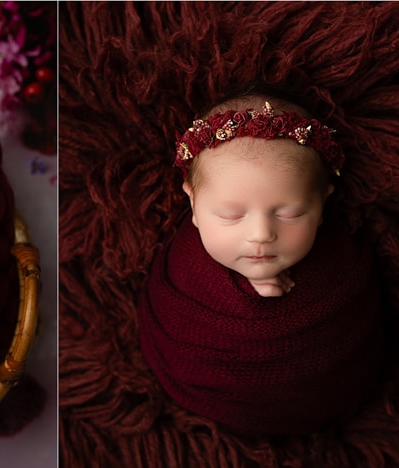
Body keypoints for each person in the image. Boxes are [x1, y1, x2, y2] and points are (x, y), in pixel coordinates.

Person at [137, 86, 384, 436]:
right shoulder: (183, 265)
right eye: (230, 214)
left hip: (328, 400)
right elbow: (168, 319)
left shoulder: (341, 262)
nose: (261, 234)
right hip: (207, 402)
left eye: (290, 213)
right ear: (192, 205)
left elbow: (357, 327)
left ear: (322, 204)